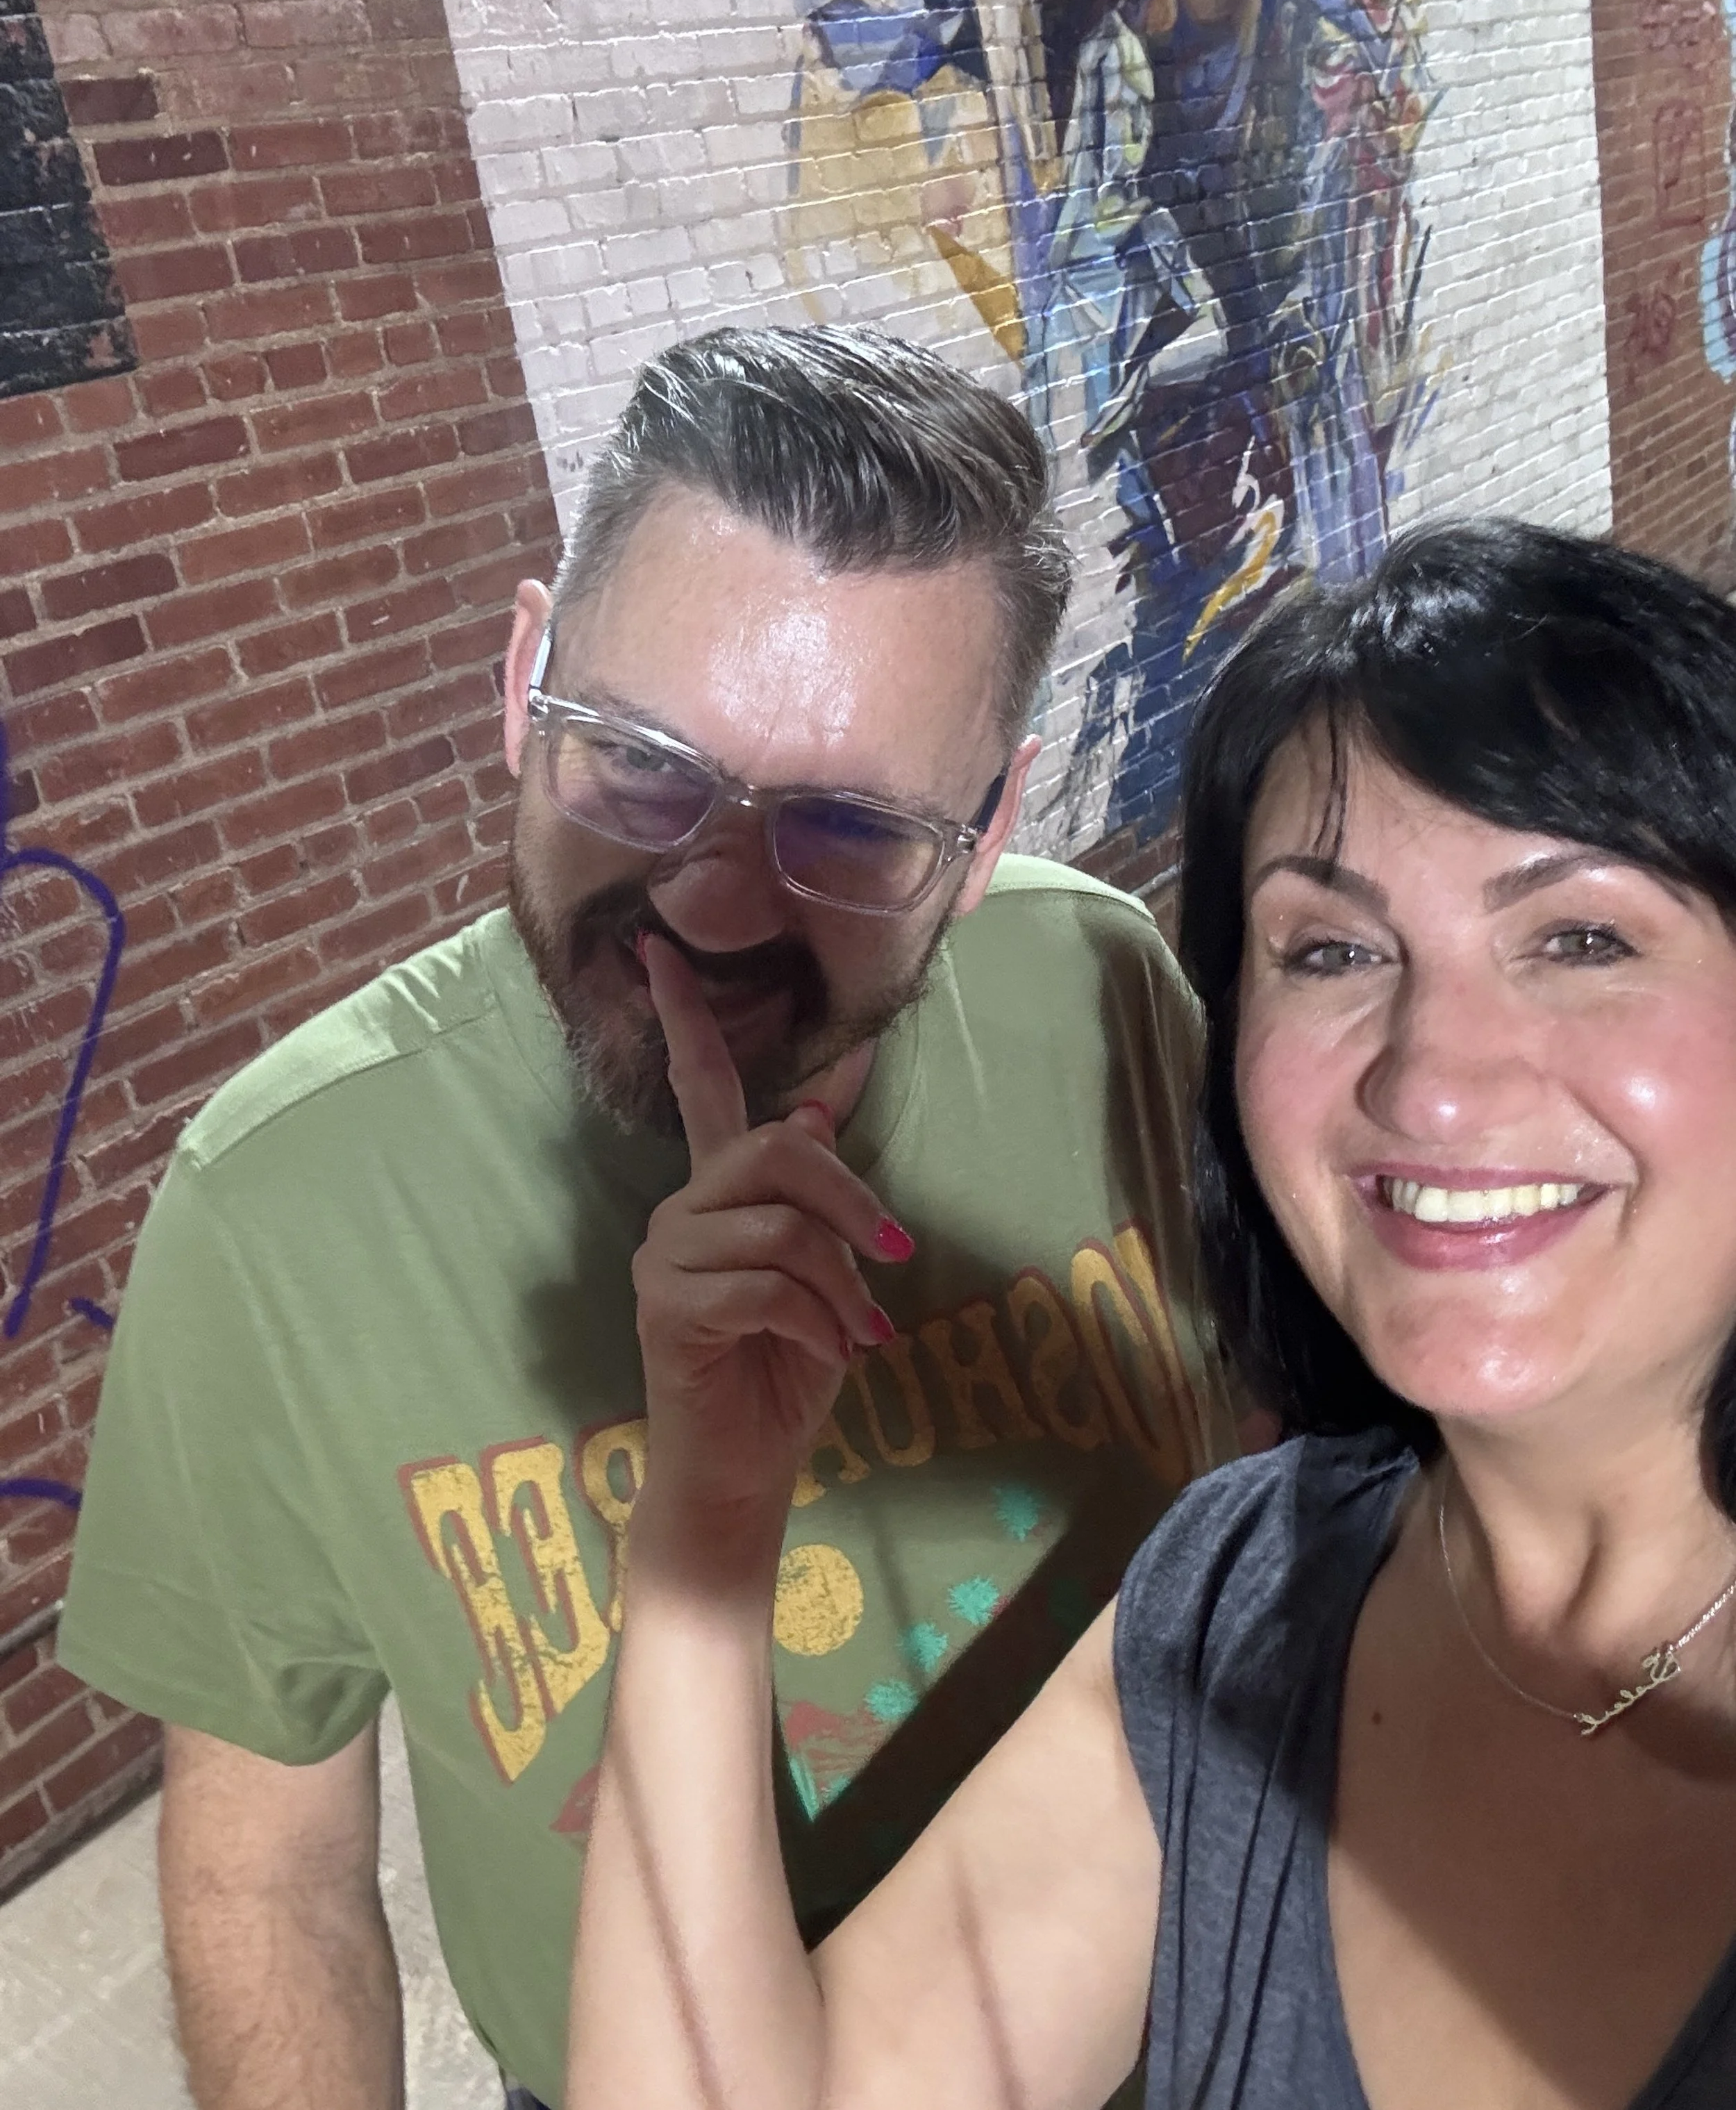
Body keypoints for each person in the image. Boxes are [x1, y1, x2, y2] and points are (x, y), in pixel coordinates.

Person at [59, 324, 1237, 2110]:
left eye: (846, 827)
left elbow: (1247, 1485)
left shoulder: (1095, 982)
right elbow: (271, 1874)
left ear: (986, 828)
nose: (709, 899)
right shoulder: (272, 1205)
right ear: (524, 677)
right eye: (637, 759)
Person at [569, 518, 1736, 2109]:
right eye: (1328, 950)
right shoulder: (1226, 1606)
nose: (1430, 1076)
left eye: (1579, 936)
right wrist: (707, 1524)